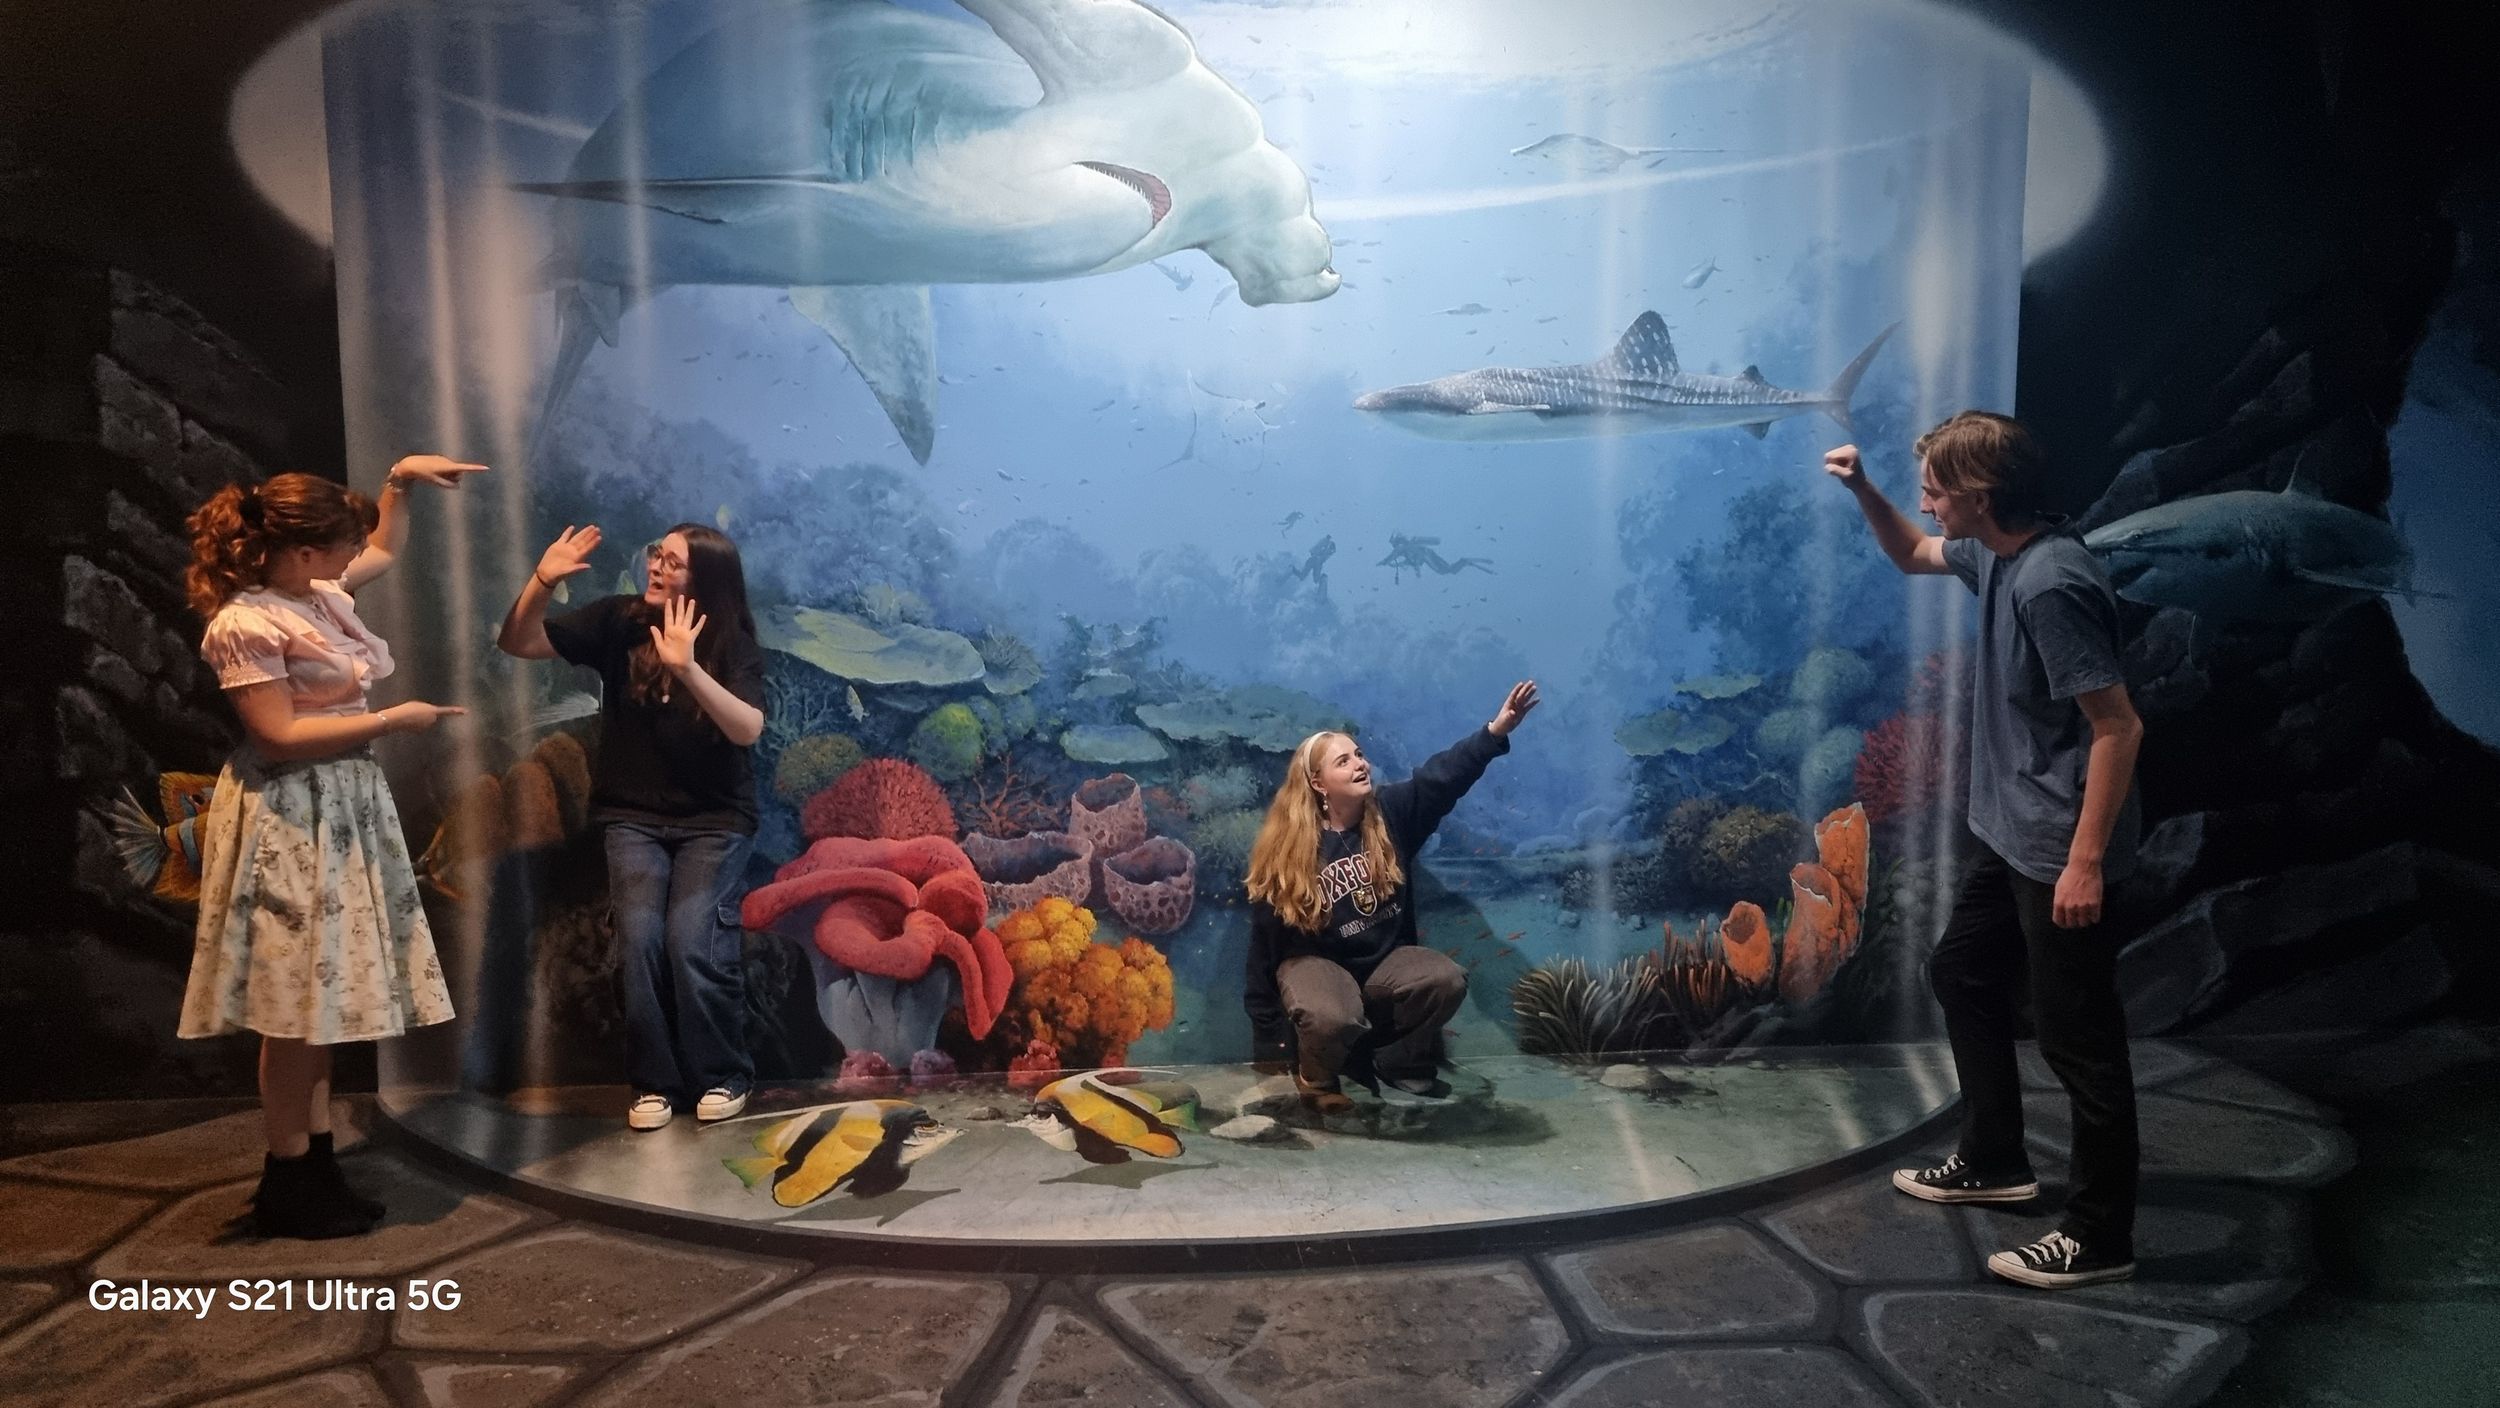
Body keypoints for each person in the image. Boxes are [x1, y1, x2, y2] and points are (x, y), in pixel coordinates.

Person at [1826, 411, 2145, 1290]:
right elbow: (1910, 554)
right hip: (2013, 832)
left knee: (2079, 1042)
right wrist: (1864, 490)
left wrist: (2085, 862)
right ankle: (1996, 1160)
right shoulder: (1997, 553)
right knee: (1962, 973)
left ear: (1980, 495)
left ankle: (2100, 1235)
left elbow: (2118, 727)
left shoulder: (2050, 582)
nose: (1927, 500)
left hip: (2057, 846)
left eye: (1935, 488)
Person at [181, 456, 483, 1239]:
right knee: (290, 1012)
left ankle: (313, 1167)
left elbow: (382, 548)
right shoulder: (247, 622)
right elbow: (278, 736)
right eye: (344, 543)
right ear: (306, 550)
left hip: (339, 804)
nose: (357, 555)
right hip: (292, 815)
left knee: (316, 1007)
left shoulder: (314, 593)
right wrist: (391, 720)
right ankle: (289, 1175)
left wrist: (400, 483)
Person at [497, 522, 767, 1131]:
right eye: (655, 555)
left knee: (691, 941)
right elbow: (518, 640)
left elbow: (747, 728)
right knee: (639, 943)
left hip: (713, 820)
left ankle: (723, 1074)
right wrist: (542, 580)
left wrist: (688, 668)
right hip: (632, 818)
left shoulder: (732, 642)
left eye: (672, 562)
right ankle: (654, 1084)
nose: (656, 568)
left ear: (704, 580)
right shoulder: (619, 621)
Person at [1243, 682, 1539, 1112]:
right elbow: (1263, 943)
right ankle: (1317, 1076)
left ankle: (1397, 1060)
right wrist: (1267, 1033)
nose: (1360, 764)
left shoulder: (1390, 814)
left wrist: (1494, 732)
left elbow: (1442, 778)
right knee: (1331, 1015)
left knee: (1446, 979)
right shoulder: (1287, 848)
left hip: (1384, 961)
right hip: (1317, 964)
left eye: (1359, 754)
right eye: (1344, 761)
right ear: (1318, 783)